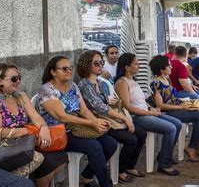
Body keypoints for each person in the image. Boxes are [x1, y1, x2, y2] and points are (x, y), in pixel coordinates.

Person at [0, 63, 68, 187]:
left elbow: (36, 117)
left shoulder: (21, 97)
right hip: (7, 146)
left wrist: (43, 128)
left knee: (60, 157)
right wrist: (24, 131)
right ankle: (3, 183)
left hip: (26, 143)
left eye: (19, 78)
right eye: (13, 79)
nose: (17, 81)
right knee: (38, 158)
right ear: (0, 81)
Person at [37, 56, 117, 187]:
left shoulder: (72, 86)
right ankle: (106, 184)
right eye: (64, 69)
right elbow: (62, 117)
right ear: (53, 72)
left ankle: (87, 175)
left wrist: (96, 122)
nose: (69, 71)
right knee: (94, 147)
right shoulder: (46, 90)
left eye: (70, 68)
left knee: (111, 144)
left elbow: (84, 111)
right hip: (59, 132)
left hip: (78, 128)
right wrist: (91, 123)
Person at [77, 50, 146, 183]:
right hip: (98, 121)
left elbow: (107, 103)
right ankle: (120, 170)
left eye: (101, 62)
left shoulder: (101, 82)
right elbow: (98, 106)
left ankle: (129, 167)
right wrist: (125, 118)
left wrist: (113, 101)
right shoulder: (84, 84)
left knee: (141, 133)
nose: (100, 65)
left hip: (111, 118)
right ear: (86, 65)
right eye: (96, 63)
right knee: (131, 140)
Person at [114, 53, 182, 176]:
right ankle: (164, 164)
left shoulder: (133, 80)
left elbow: (141, 101)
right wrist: (148, 112)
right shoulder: (122, 82)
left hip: (146, 112)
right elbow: (128, 107)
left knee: (177, 123)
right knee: (170, 128)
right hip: (137, 117)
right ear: (127, 67)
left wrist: (152, 108)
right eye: (136, 64)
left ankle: (164, 155)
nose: (138, 66)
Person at [149, 55, 199, 162]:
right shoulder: (156, 83)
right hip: (167, 112)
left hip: (175, 107)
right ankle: (191, 147)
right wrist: (181, 106)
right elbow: (160, 106)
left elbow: (173, 97)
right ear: (161, 69)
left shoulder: (166, 79)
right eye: (168, 66)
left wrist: (188, 102)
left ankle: (193, 145)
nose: (171, 68)